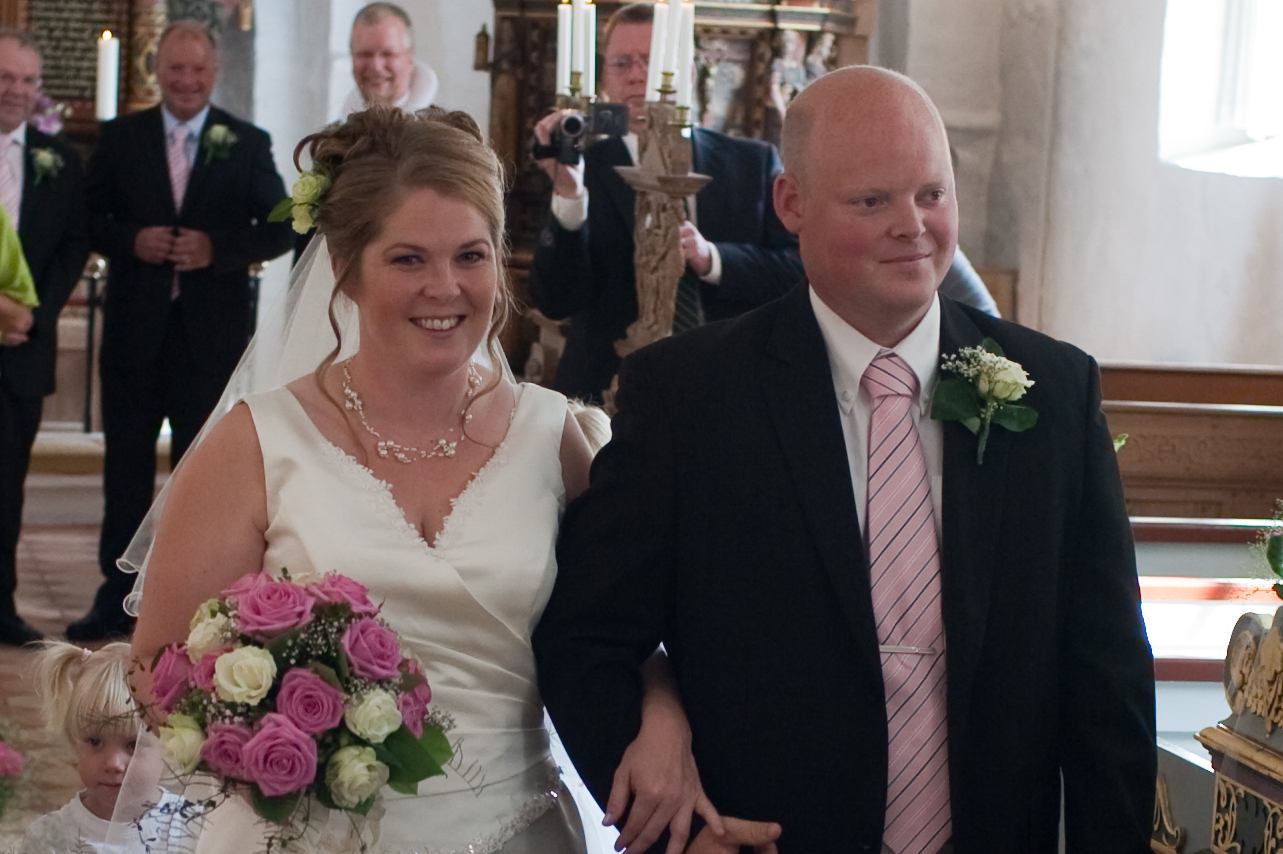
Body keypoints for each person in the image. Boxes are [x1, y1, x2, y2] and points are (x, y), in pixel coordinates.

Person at [534, 66, 1156, 853]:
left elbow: (1107, 670)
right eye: (872, 201)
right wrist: (674, 835)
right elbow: (586, 637)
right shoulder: (690, 397)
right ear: (790, 203)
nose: (912, 226)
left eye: (931, 194)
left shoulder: (1054, 390)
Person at [124, 105, 719, 854]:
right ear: (346, 269)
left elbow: (618, 632)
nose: (446, 287)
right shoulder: (258, 441)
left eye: (471, 256)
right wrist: (277, 736)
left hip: (517, 831)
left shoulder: (551, 436)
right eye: (408, 260)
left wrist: (663, 713)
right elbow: (155, 669)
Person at [74, 20, 292, 643]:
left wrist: (216, 249)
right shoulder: (122, 138)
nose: (187, 80)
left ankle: (192, 598)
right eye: (176, 68)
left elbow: (281, 226)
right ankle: (115, 598)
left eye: (198, 70)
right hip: (134, 333)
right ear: (158, 70)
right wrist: (131, 240)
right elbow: (85, 218)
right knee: (124, 469)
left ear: (214, 73)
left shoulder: (245, 142)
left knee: (200, 476)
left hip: (209, 339)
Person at [527, 2, 804, 403]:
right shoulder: (581, 167)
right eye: (622, 63)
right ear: (605, 77)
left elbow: (799, 270)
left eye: (651, 60)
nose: (637, 75)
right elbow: (556, 300)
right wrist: (569, 196)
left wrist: (713, 259)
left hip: (730, 385)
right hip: (609, 390)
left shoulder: (751, 163)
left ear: (687, 72)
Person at [0, 29, 88, 647]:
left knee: (7, 485)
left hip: (22, 350)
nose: (16, 90)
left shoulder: (58, 162)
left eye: (27, 80)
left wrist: (34, 312)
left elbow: (72, 245)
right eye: (5, 77)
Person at [21, 641, 192, 853]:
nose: (113, 764)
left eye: (132, 745)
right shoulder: (50, 838)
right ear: (75, 742)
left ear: (167, 744)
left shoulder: (191, 825)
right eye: (95, 741)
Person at [340, 2, 438, 116]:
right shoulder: (339, 124)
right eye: (365, 54)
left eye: (388, 54)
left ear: (410, 57)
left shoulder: (443, 125)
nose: (376, 66)